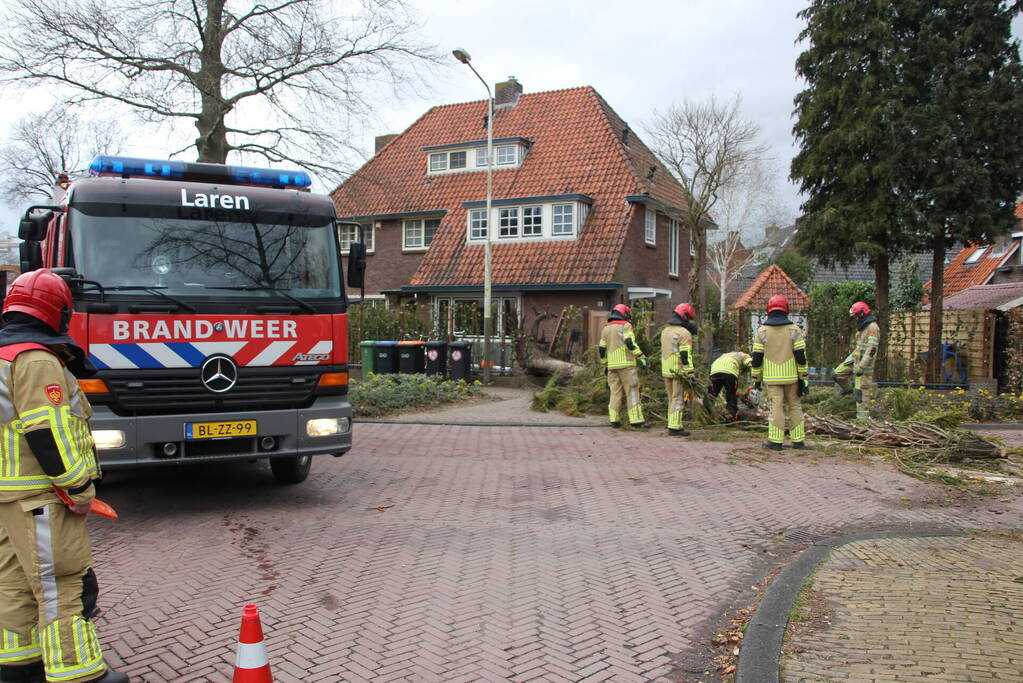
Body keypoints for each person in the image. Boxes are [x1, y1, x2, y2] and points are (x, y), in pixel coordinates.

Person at [0, 269, 128, 683]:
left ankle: (17, 661)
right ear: (58, 312)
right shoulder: (36, 360)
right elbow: (47, 432)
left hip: (7, 494)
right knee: (62, 582)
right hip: (41, 495)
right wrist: (77, 488)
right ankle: (77, 671)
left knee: (14, 579)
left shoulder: (3, 356)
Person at [750, 295, 809, 451]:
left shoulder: (762, 331)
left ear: (768, 310)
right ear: (786, 310)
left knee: (776, 407)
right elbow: (801, 357)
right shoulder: (794, 330)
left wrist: (756, 379)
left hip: (772, 378)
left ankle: (775, 441)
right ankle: (798, 441)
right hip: (792, 377)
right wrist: (804, 379)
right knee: (795, 406)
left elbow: (756, 358)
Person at [599, 303, 648, 429]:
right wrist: (641, 356)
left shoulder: (606, 328)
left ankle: (614, 420)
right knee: (632, 392)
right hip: (627, 365)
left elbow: (602, 349)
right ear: (625, 314)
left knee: (615, 393)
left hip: (612, 367)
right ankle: (636, 421)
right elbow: (629, 342)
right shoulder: (626, 325)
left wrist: (605, 364)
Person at [833, 301, 880, 420]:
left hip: (863, 367)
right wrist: (851, 360)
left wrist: (862, 366)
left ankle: (862, 422)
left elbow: (871, 349)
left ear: (862, 313)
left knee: (860, 393)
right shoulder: (862, 326)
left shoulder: (872, 327)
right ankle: (848, 390)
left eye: (856, 316)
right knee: (836, 374)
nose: (855, 318)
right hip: (855, 360)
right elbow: (859, 348)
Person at [660, 303, 697, 436]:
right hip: (678, 371)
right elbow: (685, 355)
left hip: (666, 369)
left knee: (671, 398)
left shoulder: (665, 331)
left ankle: (671, 423)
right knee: (678, 398)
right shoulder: (684, 333)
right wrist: (690, 373)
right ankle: (675, 427)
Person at [708, 351, 753, 421]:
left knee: (711, 395)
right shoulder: (745, 355)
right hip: (729, 372)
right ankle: (731, 416)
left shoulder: (724, 354)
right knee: (731, 396)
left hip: (714, 371)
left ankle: (707, 414)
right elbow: (751, 364)